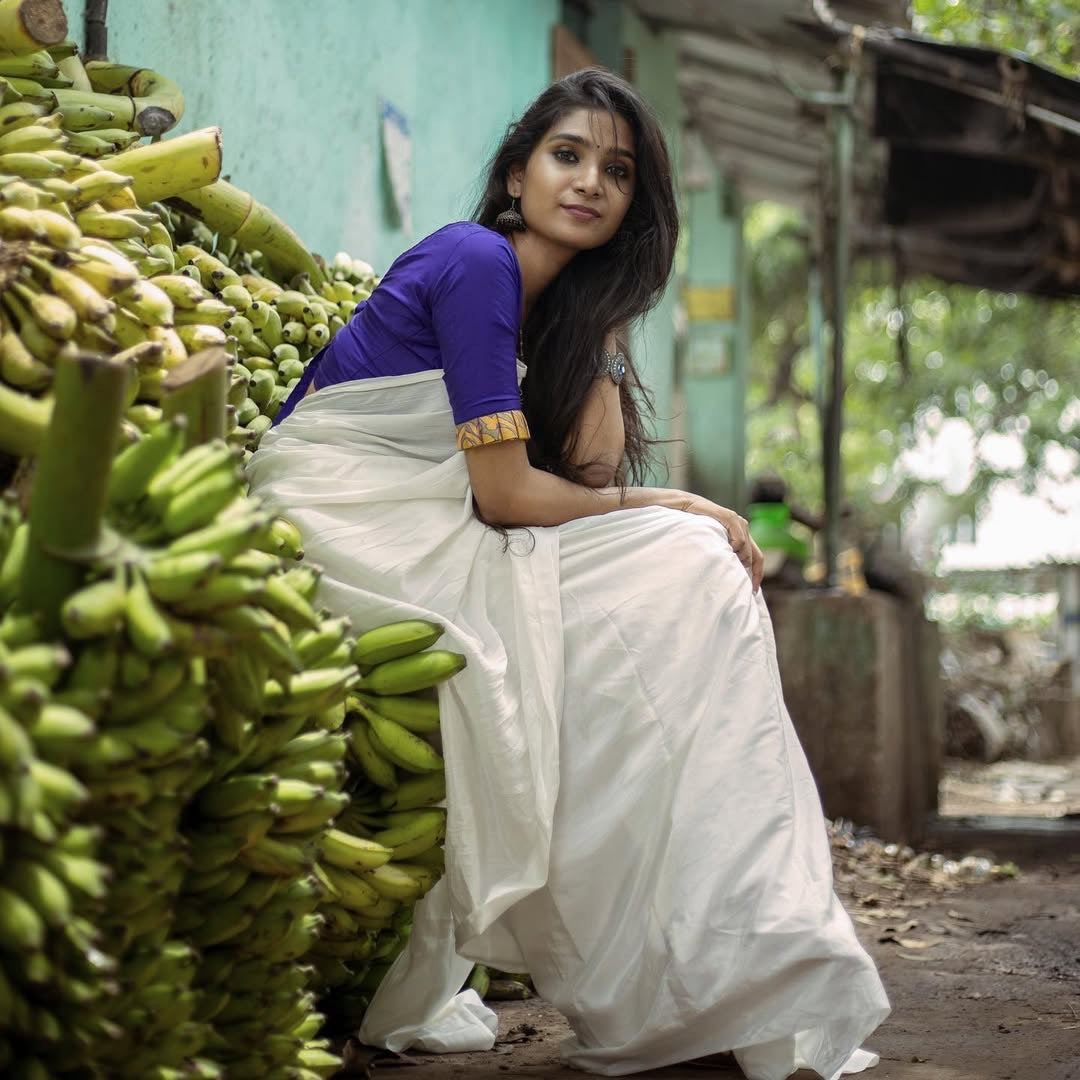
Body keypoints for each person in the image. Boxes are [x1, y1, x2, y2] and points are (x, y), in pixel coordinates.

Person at [247, 68, 890, 1080]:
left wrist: (601, 332)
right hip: (347, 518)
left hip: (427, 526)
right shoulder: (474, 262)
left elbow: (570, 475)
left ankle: (718, 965)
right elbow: (507, 497)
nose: (591, 181)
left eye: (619, 170)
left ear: (637, 205)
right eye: (567, 154)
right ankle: (686, 971)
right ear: (516, 173)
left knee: (685, 595)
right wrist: (673, 502)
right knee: (686, 563)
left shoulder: (547, 319)